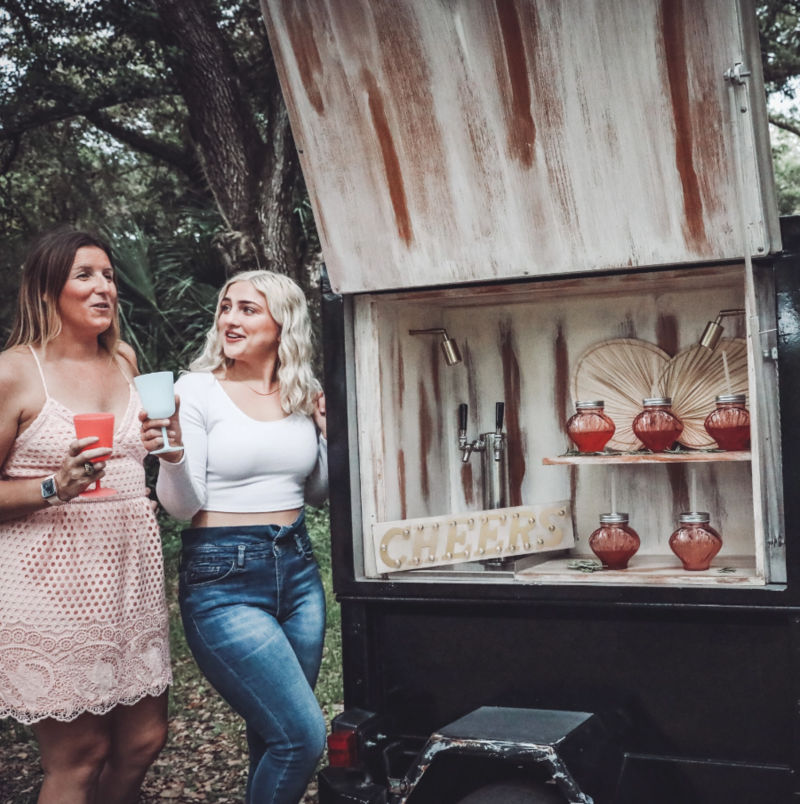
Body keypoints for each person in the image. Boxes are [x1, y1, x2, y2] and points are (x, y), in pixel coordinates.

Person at [142, 269, 328, 804]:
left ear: (282, 323)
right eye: (226, 307)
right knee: (302, 737)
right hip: (224, 577)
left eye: (247, 308)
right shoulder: (196, 389)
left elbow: (316, 492)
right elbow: (183, 507)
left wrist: (328, 436)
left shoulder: (301, 391)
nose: (229, 318)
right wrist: (172, 457)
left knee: (273, 735)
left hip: (298, 572)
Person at [0, 228, 172, 804]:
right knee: (80, 755)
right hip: (50, 586)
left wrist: (157, 447)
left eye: (109, 276)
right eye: (85, 276)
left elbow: (134, 461)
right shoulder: (14, 372)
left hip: (128, 581)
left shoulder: (123, 360)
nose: (104, 288)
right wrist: (54, 486)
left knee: (144, 740)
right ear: (47, 290)